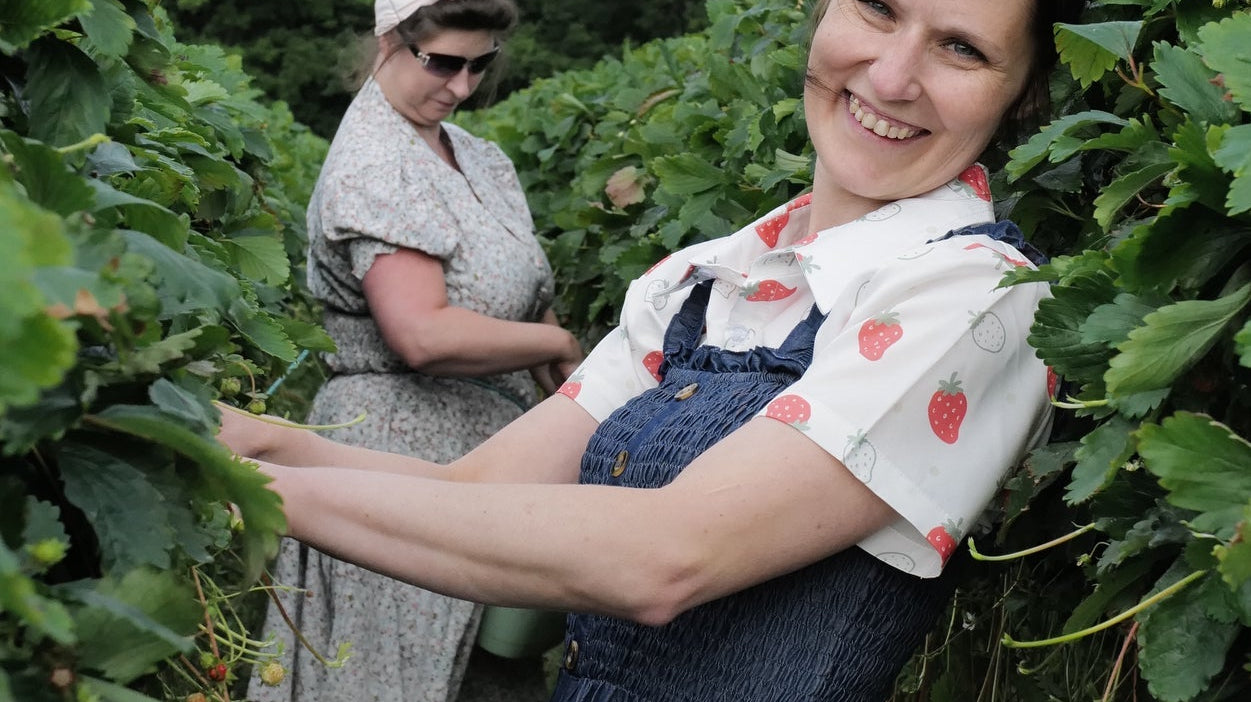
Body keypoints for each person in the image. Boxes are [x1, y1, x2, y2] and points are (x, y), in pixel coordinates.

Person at [224, 0, 1086, 699]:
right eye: (875, 8)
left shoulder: (978, 294)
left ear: (1024, 95)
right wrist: (253, 440)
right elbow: (477, 491)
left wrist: (251, 489)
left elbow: (665, 555)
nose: (893, 77)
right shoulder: (701, 281)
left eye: (962, 50)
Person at [244, 1, 583, 701]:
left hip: (489, 457)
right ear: (389, 40)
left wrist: (574, 401)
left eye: (480, 65)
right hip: (397, 457)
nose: (461, 86)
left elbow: (521, 292)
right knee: (398, 675)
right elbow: (422, 334)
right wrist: (555, 342)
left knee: (493, 674)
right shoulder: (375, 161)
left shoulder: (478, 157)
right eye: (444, 63)